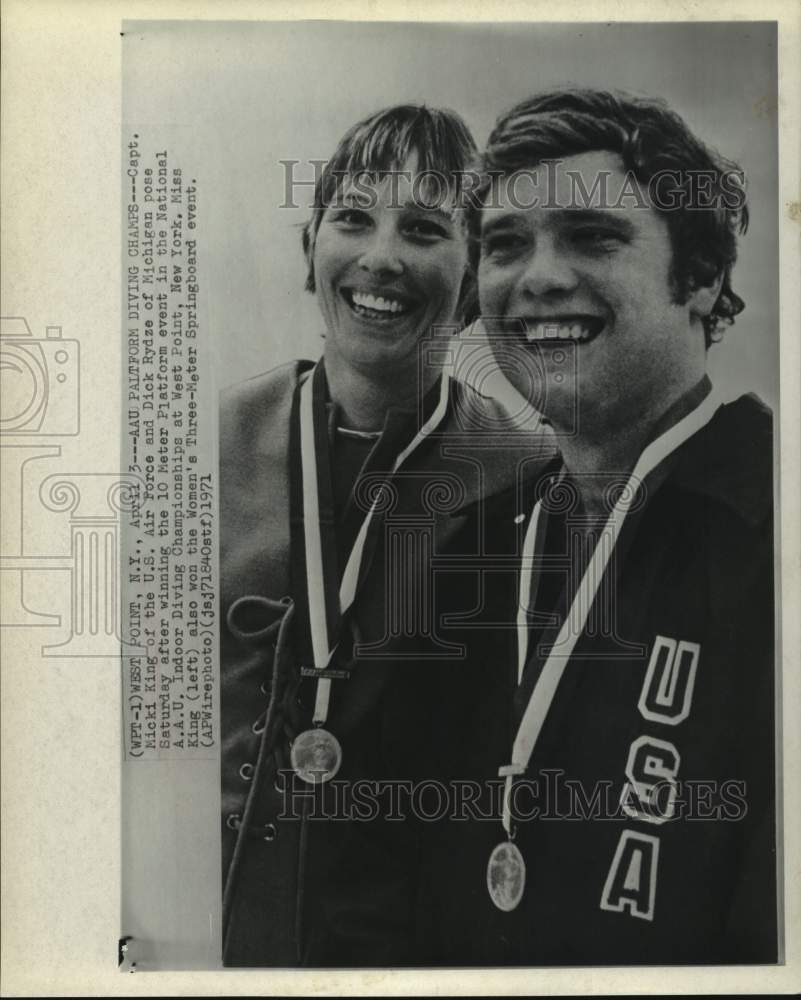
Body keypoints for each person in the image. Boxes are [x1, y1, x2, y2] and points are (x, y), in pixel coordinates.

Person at [416, 89, 778, 965]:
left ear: (700, 276)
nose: (538, 278)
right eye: (506, 245)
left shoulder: (775, 526)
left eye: (591, 236)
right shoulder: (469, 548)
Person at [219, 103, 550, 966]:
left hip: (411, 947)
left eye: (424, 229)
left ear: (473, 281)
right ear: (310, 249)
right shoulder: (203, 447)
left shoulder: (527, 477)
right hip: (206, 934)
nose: (380, 257)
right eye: (352, 218)